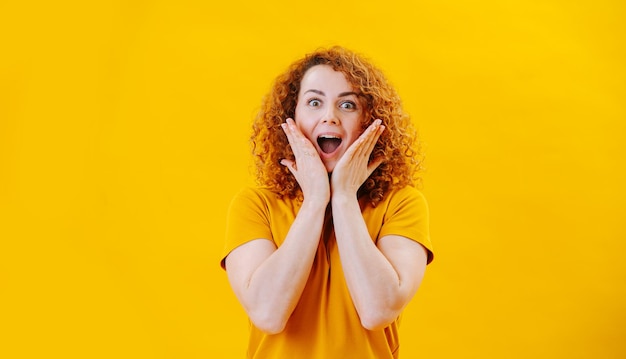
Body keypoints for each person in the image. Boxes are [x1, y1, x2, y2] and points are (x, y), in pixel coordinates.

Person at [220, 46, 434, 359]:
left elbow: (378, 309)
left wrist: (344, 197)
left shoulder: (402, 204)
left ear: (368, 121)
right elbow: (267, 312)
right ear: (291, 118)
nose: (330, 116)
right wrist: (315, 201)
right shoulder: (254, 205)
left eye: (347, 104)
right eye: (314, 102)